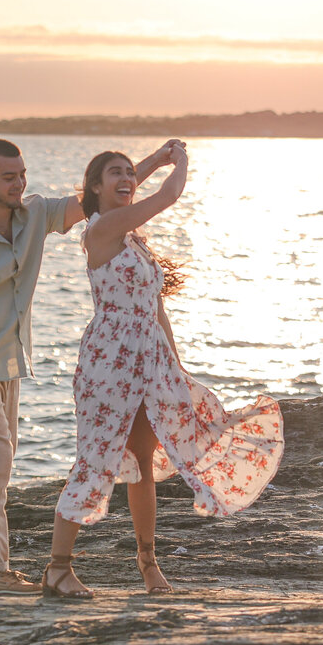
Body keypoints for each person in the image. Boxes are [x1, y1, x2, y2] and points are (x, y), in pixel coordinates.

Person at [0, 137, 180, 595]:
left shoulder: (35, 215)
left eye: (22, 175)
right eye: (8, 177)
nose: (18, 184)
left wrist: (154, 159)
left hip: (7, 360)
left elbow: (105, 198)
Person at [42, 144, 285, 598]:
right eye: (114, 175)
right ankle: (58, 569)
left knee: (145, 462)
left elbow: (157, 309)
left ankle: (148, 563)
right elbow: (167, 196)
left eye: (129, 175)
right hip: (111, 361)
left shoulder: (135, 238)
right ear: (95, 187)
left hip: (150, 359)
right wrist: (180, 163)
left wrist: (175, 364)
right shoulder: (103, 228)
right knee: (96, 459)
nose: (126, 180)